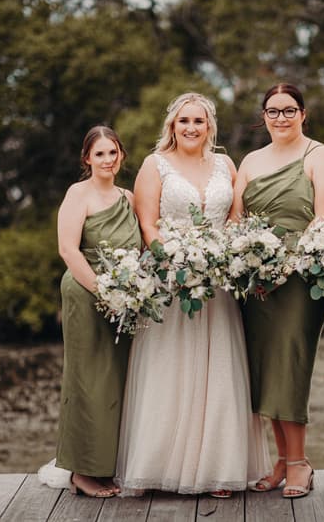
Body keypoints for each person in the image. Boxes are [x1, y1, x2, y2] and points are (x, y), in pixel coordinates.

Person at [114, 92, 270, 497]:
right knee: (169, 370)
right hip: (170, 282)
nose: (190, 128)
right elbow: (148, 225)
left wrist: (228, 256)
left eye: (198, 121)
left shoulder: (225, 164)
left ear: (209, 126)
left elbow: (235, 218)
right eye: (184, 121)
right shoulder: (155, 166)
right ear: (172, 125)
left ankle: (218, 470)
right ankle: (156, 468)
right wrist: (174, 262)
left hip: (218, 283)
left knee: (218, 373)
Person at [230, 83, 324, 499]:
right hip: (256, 281)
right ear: (263, 116)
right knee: (264, 367)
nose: (281, 117)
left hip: (300, 280)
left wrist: (285, 266)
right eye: (273, 111)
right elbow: (237, 218)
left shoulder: (320, 156)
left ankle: (300, 462)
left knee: (290, 363)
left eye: (289, 110)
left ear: (303, 114)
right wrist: (251, 262)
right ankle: (280, 460)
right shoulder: (251, 160)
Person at [54, 125, 142, 497]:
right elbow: (68, 250)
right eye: (100, 154)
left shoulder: (129, 196)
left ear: (121, 155)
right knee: (87, 378)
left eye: (113, 152)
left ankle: (107, 464)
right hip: (86, 292)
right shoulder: (79, 193)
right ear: (87, 158)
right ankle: (82, 471)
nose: (108, 160)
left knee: (117, 379)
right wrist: (103, 290)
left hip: (125, 298)